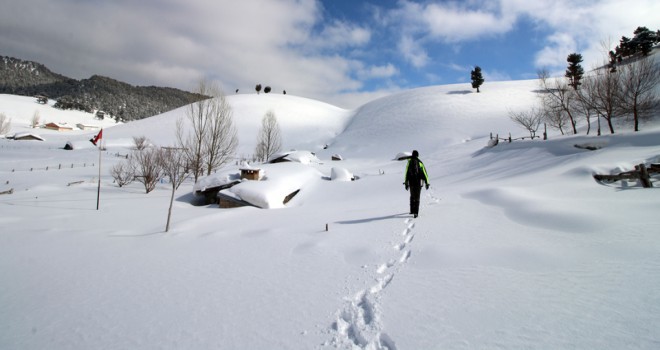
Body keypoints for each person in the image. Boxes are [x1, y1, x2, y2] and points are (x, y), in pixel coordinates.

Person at [403, 150, 430, 218]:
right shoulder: (420, 162)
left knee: (412, 196)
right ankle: (416, 213)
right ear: (417, 155)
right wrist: (427, 183)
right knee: (417, 197)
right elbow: (425, 173)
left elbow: (406, 173)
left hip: (411, 182)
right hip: (418, 182)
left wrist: (406, 183)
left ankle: (412, 210)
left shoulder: (409, 162)